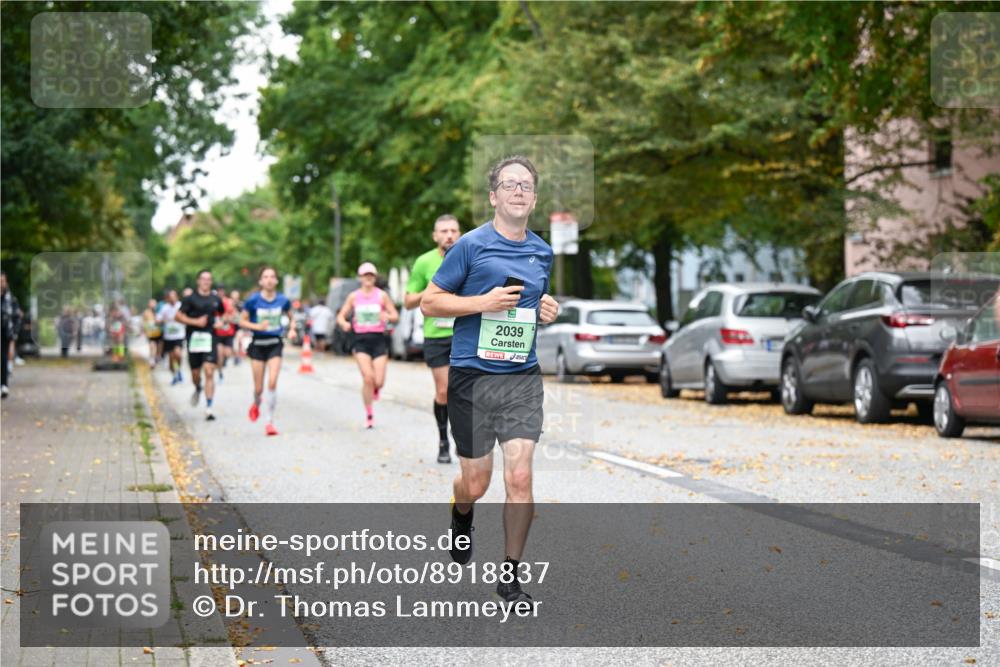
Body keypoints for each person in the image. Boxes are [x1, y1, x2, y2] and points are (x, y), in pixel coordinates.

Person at [421, 155, 558, 606]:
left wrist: (544, 309)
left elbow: (529, 302)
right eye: (509, 184)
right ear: (493, 196)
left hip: (521, 377)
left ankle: (511, 577)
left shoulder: (542, 250)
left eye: (526, 185)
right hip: (472, 377)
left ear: (534, 199)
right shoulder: (470, 246)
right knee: (476, 482)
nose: (518, 190)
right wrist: (482, 302)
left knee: (519, 475)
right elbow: (431, 303)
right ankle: (461, 514)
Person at [405, 214, 462, 463]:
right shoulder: (424, 262)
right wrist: (430, 291)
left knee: (466, 391)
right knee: (444, 391)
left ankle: (463, 436)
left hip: (465, 332)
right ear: (435, 236)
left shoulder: (469, 257)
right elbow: (407, 301)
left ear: (459, 234)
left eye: (453, 230)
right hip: (437, 335)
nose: (449, 235)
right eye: (444, 231)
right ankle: (443, 440)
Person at [336, 262, 399, 429]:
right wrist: (344, 324)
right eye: (365, 275)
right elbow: (341, 316)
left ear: (375, 277)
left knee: (378, 381)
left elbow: (395, 315)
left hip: (378, 340)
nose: (368, 278)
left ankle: (375, 389)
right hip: (360, 340)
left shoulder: (381, 296)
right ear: (360, 278)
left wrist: (387, 315)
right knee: (368, 378)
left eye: (371, 275)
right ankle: (369, 413)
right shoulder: (354, 296)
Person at [240, 266, 296, 436]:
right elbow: (242, 321)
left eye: (272, 276)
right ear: (260, 281)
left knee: (272, 382)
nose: (269, 280)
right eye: (266, 277)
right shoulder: (253, 301)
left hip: (275, 343)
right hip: (258, 344)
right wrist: (256, 326)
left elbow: (292, 317)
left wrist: (292, 329)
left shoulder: (283, 300)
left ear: (276, 280)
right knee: (259, 389)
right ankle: (256, 403)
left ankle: (269, 421)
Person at [175, 270, 224, 420]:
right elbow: (177, 316)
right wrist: (195, 322)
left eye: (209, 279)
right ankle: (197, 387)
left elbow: (223, 314)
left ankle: (209, 408)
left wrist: (221, 322)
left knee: (209, 371)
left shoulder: (216, 299)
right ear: (198, 281)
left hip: (210, 338)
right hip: (194, 339)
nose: (206, 282)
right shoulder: (190, 299)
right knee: (196, 374)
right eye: (203, 279)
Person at [158, 290, 185, 384]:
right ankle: (175, 375)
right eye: (171, 297)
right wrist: (162, 320)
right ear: (168, 298)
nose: (173, 298)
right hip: (169, 337)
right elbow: (158, 319)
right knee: (171, 360)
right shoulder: (164, 308)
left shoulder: (181, 305)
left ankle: (179, 370)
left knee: (178, 354)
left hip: (179, 335)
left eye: (174, 296)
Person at [214, 286, 238, 379]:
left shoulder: (229, 302)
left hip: (228, 333)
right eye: (218, 291)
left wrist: (227, 319)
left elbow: (236, 316)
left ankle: (222, 364)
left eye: (222, 291)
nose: (220, 293)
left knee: (227, 353)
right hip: (217, 333)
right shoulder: (214, 302)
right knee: (219, 354)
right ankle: (220, 372)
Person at [1, 271, 13, 398]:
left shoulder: (9, 298)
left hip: (4, 332)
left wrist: (13, 331)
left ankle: (3, 384)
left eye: (2, 281)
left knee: (3, 359)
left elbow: (15, 314)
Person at [142, 299, 162, 368]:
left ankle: (157, 357)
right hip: (150, 332)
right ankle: (152, 360)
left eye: (154, 304)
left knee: (158, 346)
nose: (153, 305)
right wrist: (144, 330)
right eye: (151, 304)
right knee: (152, 345)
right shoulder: (146, 312)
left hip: (158, 332)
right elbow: (143, 322)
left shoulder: (158, 312)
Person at [230, 290, 245, 365]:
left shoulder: (241, 305)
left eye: (236, 297)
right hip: (230, 327)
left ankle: (238, 356)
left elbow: (244, 315)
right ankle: (235, 356)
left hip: (239, 326)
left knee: (239, 340)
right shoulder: (228, 304)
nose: (235, 299)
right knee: (232, 343)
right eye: (233, 297)